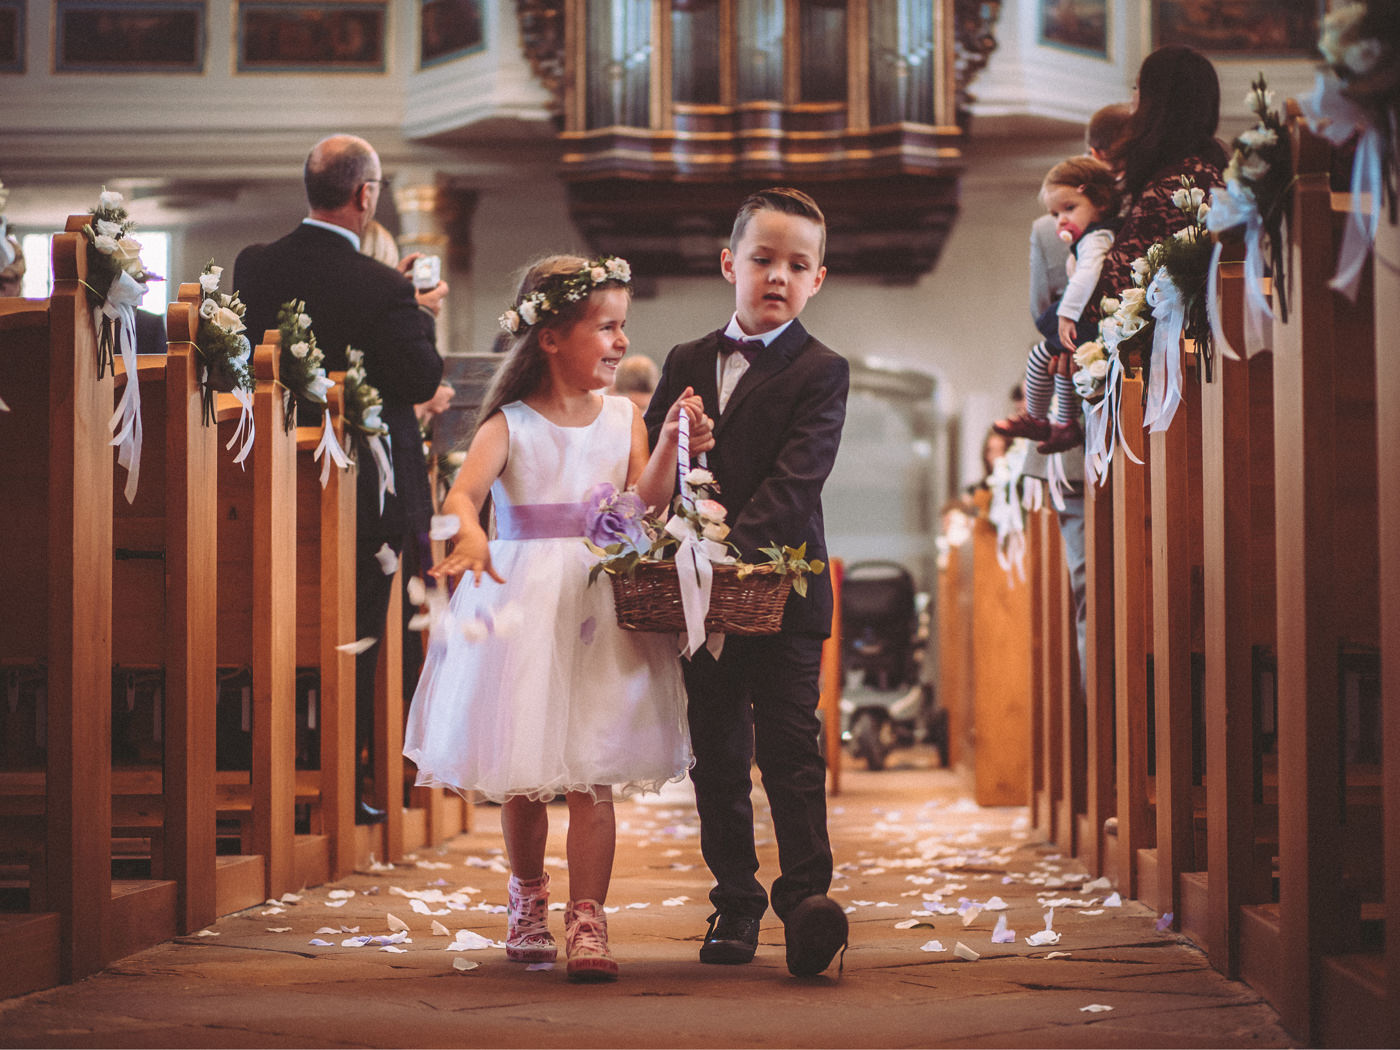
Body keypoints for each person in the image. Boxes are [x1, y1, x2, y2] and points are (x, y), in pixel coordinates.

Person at [403, 254, 712, 982]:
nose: (617, 342)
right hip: (521, 599)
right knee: (524, 769)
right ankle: (527, 895)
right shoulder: (507, 424)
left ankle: (589, 917)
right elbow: (459, 496)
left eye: (620, 328)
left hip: (598, 598)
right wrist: (472, 531)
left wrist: (668, 443)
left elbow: (645, 506)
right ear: (549, 337)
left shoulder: (624, 419)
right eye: (604, 328)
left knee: (591, 767)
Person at [644, 186, 850, 978]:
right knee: (719, 752)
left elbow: (797, 484)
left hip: (783, 594)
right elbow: (657, 474)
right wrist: (676, 456)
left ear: (817, 280)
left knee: (793, 749)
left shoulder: (823, 370)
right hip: (701, 600)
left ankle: (805, 902)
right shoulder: (687, 361)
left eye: (797, 266)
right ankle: (735, 900)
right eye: (763, 259)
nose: (778, 277)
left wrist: (723, 557)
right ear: (730, 262)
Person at [234, 134, 448, 825]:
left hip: (265, 483)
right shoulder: (388, 289)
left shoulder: (254, 266)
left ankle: (267, 769)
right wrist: (419, 314)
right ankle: (340, 782)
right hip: (363, 493)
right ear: (365, 195)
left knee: (269, 627)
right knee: (354, 636)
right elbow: (419, 380)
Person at [994, 156, 1120, 453]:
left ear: (1100, 202)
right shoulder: (1090, 237)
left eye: (1070, 208)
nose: (1061, 220)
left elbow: (1088, 274)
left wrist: (1066, 314)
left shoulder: (1097, 237)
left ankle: (1036, 418)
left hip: (1083, 317)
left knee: (1040, 357)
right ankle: (1064, 424)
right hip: (1085, 316)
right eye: (1055, 213)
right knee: (1060, 361)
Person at [1093, 45, 1226, 315]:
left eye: (1137, 88)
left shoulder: (1177, 182)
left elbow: (1113, 287)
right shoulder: (1198, 167)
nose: (1132, 100)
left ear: (1157, 102)